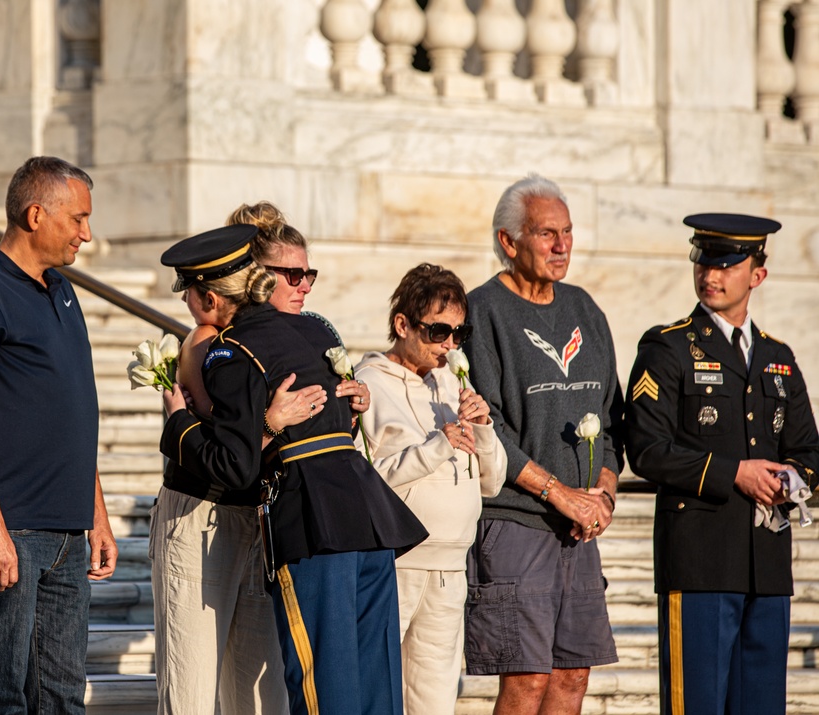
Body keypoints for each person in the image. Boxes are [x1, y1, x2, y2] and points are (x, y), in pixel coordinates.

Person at [158, 224, 428, 715]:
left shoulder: (229, 350)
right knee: (377, 692)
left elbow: (234, 465)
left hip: (313, 522)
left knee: (324, 690)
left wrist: (179, 425)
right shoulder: (314, 329)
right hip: (367, 518)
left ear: (208, 298)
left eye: (189, 297)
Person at [0, 156, 119, 714]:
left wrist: (97, 514)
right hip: (10, 528)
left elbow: (71, 412)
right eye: (78, 219)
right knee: (0, 696)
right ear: (36, 214)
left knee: (63, 697)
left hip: (67, 533)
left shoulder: (63, 291)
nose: (87, 234)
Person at [624, 213, 819, 715]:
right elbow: (646, 447)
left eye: (727, 265)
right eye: (703, 261)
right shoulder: (667, 347)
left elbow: (808, 451)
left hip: (767, 562)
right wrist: (735, 472)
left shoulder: (778, 356)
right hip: (701, 561)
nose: (710, 274)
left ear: (757, 274)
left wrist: (791, 478)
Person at [463, 173, 622, 715]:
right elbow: (489, 429)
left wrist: (603, 491)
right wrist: (559, 494)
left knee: (573, 677)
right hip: (515, 519)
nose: (562, 246)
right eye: (547, 234)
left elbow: (609, 415)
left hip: (580, 526)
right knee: (527, 680)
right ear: (509, 242)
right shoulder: (482, 312)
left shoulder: (585, 310)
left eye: (568, 233)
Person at [355, 263, 507, 715]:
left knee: (436, 700)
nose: (449, 345)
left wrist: (482, 429)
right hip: (395, 565)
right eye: (439, 330)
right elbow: (364, 481)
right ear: (402, 324)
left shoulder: (450, 381)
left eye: (460, 334)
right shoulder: (368, 384)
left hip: (451, 567)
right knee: (375, 691)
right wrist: (436, 448)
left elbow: (493, 481)